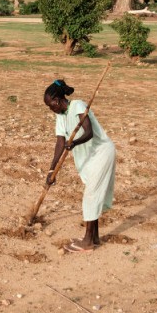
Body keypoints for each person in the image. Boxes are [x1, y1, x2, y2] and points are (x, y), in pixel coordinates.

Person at [43, 79, 116, 253]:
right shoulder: (60, 116)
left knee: (90, 196)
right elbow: (60, 142)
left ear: (58, 100)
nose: (50, 109)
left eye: (50, 105)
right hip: (89, 158)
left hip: (101, 153)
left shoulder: (77, 105)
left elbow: (89, 132)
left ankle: (88, 241)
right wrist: (52, 170)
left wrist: (75, 142)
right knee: (93, 194)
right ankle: (95, 238)